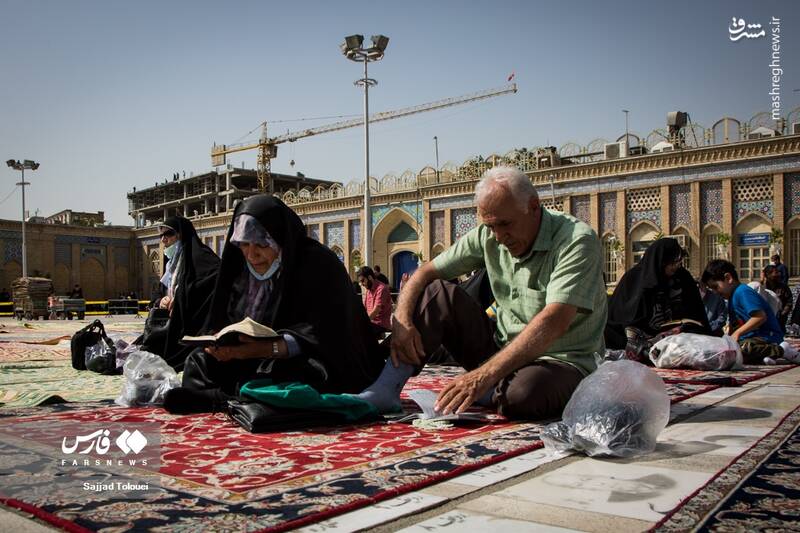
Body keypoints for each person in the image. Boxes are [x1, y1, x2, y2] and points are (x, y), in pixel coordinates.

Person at [355, 166, 608, 420]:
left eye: (505, 224)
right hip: (502, 349)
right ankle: (386, 388)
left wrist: (483, 375)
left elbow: (553, 322)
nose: (499, 237)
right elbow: (424, 274)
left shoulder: (575, 241)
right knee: (438, 294)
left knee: (523, 396)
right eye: (491, 227)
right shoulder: (489, 236)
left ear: (533, 206)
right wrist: (402, 321)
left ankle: (492, 389)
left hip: (560, 360)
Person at [163, 195, 385, 414]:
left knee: (295, 373)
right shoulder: (241, 269)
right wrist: (223, 344)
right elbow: (226, 318)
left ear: (279, 238)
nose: (251, 254)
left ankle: (224, 398)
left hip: (308, 356)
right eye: (244, 244)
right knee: (198, 362)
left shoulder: (318, 264)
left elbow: (327, 334)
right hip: (249, 357)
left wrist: (267, 348)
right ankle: (243, 397)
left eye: (260, 244)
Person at [605, 238, 711, 361]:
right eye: (672, 262)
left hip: (678, 341)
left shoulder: (682, 278)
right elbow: (619, 318)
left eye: (678, 262)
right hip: (639, 343)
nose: (676, 266)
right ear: (660, 261)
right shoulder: (635, 279)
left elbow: (696, 314)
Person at [139, 216, 220, 369]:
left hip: (192, 325)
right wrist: (162, 300)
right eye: (161, 235)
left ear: (181, 234)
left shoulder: (201, 257)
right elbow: (162, 291)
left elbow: (215, 284)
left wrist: (180, 298)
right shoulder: (172, 263)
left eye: (168, 234)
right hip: (173, 322)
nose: (163, 239)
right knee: (148, 350)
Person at [701, 259, 784, 364]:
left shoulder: (743, 292)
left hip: (767, 337)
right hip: (750, 339)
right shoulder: (731, 297)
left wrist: (737, 333)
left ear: (728, 278)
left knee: (744, 348)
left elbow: (760, 317)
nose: (715, 292)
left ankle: (781, 350)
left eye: (715, 287)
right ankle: (765, 356)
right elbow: (734, 324)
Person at [358, 266, 393, 338]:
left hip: (380, 326)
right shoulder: (368, 290)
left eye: (362, 281)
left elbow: (376, 310)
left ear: (370, 277)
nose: (361, 284)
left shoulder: (382, 288)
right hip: (371, 324)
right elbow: (364, 309)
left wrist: (363, 322)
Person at [761, 264, 793, 331]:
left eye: (778, 272)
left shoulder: (783, 287)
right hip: (764, 320)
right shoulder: (761, 287)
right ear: (768, 274)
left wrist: (783, 314)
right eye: (776, 272)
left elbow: (789, 302)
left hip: (779, 320)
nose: (779, 274)